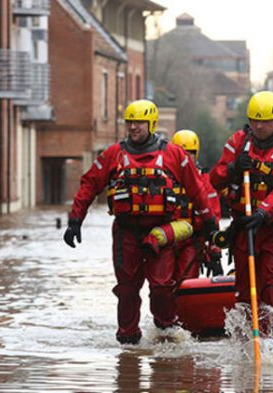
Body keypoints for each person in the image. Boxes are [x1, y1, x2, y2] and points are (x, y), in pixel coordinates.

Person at [63, 99, 218, 345]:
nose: (133, 127)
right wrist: (75, 219)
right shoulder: (115, 154)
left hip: (160, 231)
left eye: (139, 122)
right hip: (126, 232)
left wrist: (210, 223)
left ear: (152, 124)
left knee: (162, 287)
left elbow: (196, 189)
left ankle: (166, 330)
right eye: (130, 122)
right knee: (127, 288)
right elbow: (90, 183)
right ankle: (128, 341)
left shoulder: (173, 154)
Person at [210, 91, 273, 315]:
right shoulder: (238, 142)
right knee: (244, 289)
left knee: (272, 284)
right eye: (255, 120)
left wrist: (263, 213)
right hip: (244, 227)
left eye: (265, 121)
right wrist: (233, 168)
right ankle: (247, 339)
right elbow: (214, 179)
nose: (259, 126)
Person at [170, 129, 224, 279]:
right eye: (182, 153)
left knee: (186, 279)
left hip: (193, 240)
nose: (186, 158)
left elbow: (214, 217)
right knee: (162, 286)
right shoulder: (163, 178)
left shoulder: (204, 180)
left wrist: (215, 252)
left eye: (190, 153)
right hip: (167, 238)